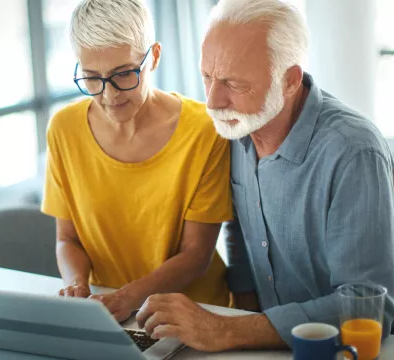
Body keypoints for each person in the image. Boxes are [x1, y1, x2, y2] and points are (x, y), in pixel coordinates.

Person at [137, 0, 394, 351]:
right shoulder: (237, 127)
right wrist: (243, 317)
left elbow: (368, 306)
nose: (212, 101)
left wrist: (226, 331)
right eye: (207, 76)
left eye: (233, 83)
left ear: (289, 81)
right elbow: (240, 232)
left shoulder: (353, 152)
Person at [41, 0, 233, 323]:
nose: (110, 95)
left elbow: (196, 255)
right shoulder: (63, 130)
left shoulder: (204, 131)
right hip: (111, 315)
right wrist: (77, 285)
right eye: (92, 78)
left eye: (124, 74)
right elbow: (67, 239)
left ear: (153, 57)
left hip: (195, 319)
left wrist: (129, 297)